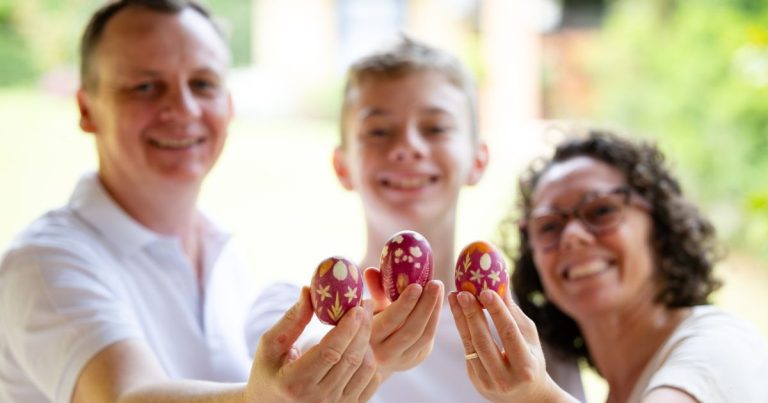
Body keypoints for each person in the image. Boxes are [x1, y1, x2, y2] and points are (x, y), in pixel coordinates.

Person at [0, 1, 426, 401]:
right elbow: (124, 395)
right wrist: (260, 398)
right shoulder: (43, 264)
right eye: (145, 86)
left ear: (228, 103)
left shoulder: (227, 255)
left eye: (203, 84)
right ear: (87, 107)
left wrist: (362, 359)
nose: (182, 108)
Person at [250, 37, 584, 402]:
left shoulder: (527, 329)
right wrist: (351, 354)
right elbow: (286, 376)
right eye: (378, 131)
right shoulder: (292, 312)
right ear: (343, 166)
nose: (407, 146)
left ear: (478, 159)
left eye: (436, 128)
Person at [449, 129, 768, 402]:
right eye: (549, 226)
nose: (572, 236)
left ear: (659, 225)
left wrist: (540, 397)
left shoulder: (720, 343)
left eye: (601, 211)